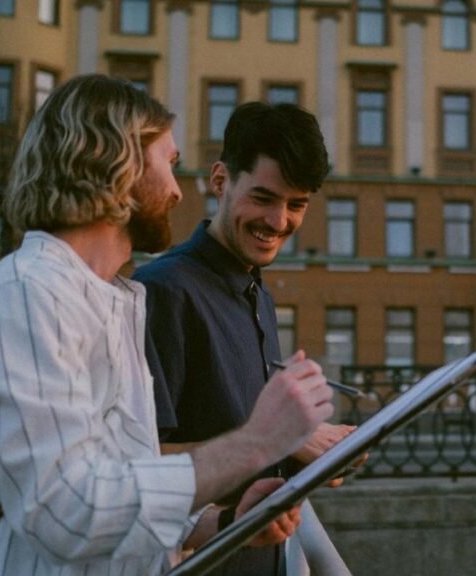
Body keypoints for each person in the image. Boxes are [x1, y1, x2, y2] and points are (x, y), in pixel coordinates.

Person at [0, 75, 334, 575]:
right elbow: (68, 511)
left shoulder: (111, 300)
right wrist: (257, 442)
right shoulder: (26, 293)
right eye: (169, 163)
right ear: (114, 164)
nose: (178, 192)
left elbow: (125, 481)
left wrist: (225, 522)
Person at [135, 101, 358, 576]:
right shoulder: (164, 291)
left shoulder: (258, 290)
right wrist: (288, 438)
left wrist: (315, 457)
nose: (279, 222)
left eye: (296, 204)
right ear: (220, 181)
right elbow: (139, 464)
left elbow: (245, 450)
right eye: (263, 198)